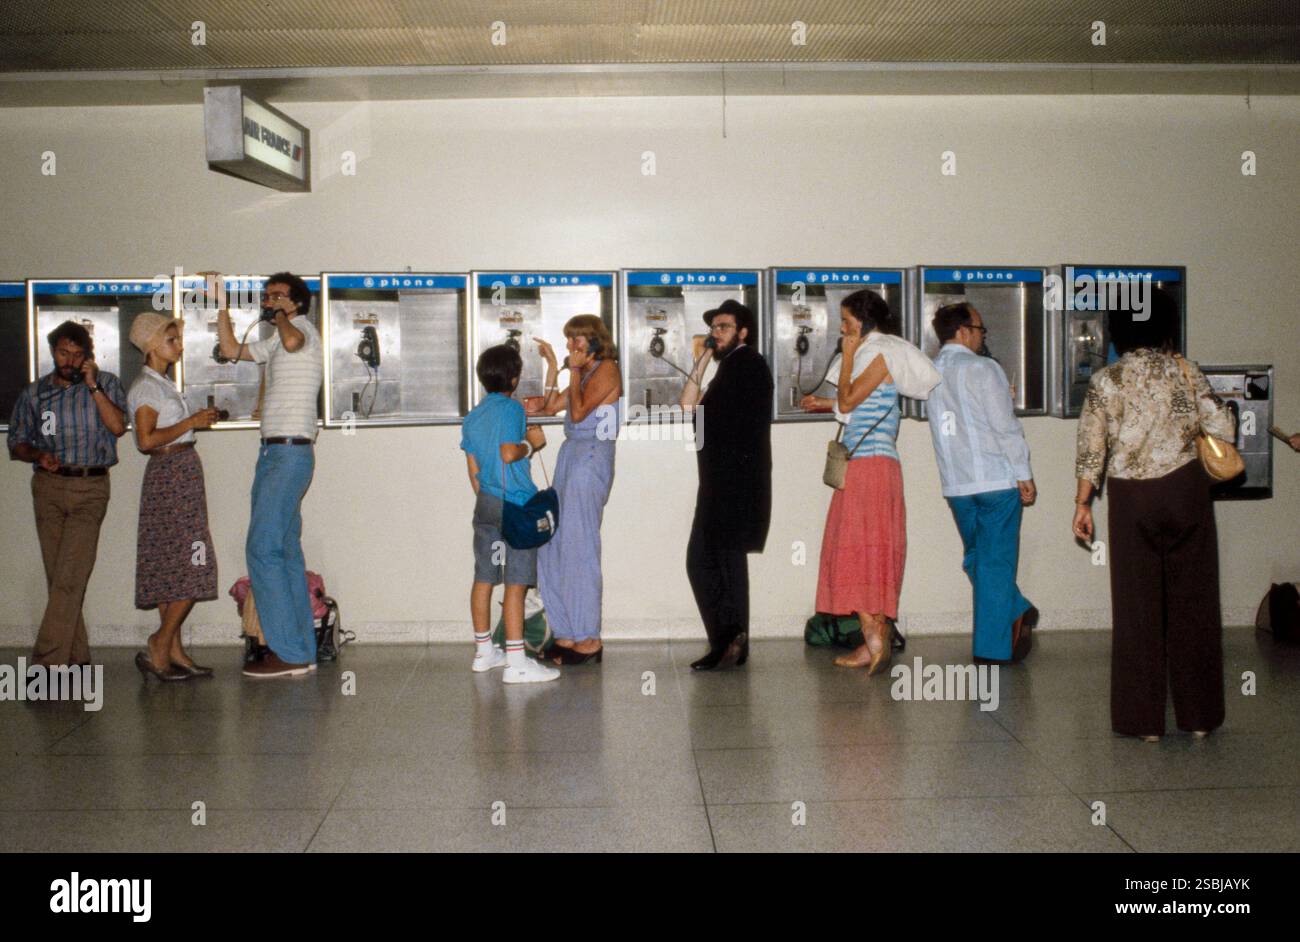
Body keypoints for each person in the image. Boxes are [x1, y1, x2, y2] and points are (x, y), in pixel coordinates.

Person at [1073, 287, 1234, 741]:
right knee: (1195, 605)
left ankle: (1143, 722)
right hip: (1186, 492)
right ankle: (1199, 717)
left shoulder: (1107, 380)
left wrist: (1082, 503)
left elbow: (1092, 448)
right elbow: (1221, 428)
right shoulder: (1187, 372)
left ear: (1117, 330)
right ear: (1165, 325)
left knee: (1137, 608)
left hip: (1132, 498)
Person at [211, 271, 323, 678]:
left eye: (278, 296)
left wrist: (281, 316)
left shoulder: (302, 331)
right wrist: (221, 303)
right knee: (285, 552)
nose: (270, 301)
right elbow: (229, 348)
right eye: (267, 296)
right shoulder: (276, 338)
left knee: (262, 549)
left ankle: (287, 651)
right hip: (274, 452)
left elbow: (293, 340)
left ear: (296, 303)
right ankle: (300, 650)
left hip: (289, 452)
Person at [800, 290, 916, 674]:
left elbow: (849, 401)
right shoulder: (875, 355)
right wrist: (824, 404)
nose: (842, 329)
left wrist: (846, 355)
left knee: (859, 549)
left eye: (847, 322)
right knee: (857, 547)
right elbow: (855, 404)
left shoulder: (879, 355)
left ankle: (875, 634)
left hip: (870, 468)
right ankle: (871, 639)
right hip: (869, 468)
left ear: (865, 323)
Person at [7, 320, 127, 667]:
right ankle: (77, 659)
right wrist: (37, 455)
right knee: (60, 578)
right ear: (52, 352)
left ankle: (45, 666)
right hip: (48, 488)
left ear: (87, 356)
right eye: (63, 353)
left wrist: (92, 386)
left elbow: (118, 427)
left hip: (90, 487)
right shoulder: (35, 393)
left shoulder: (106, 385)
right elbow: (16, 441)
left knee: (70, 576)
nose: (70, 360)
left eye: (77, 354)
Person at [926, 302, 1038, 664]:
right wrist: (1023, 472)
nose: (983, 334)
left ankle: (1017, 609)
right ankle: (992, 650)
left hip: (957, 485)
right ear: (962, 331)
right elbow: (1005, 426)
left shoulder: (928, 372)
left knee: (977, 556)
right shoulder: (984, 368)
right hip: (995, 479)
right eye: (980, 328)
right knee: (995, 563)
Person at [126, 314, 222, 681]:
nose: (178, 345)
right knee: (194, 562)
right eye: (171, 339)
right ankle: (159, 641)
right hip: (170, 476)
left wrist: (192, 423)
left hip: (179, 473)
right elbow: (146, 440)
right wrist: (190, 423)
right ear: (151, 345)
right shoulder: (146, 388)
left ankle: (172, 651)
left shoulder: (161, 383)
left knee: (172, 564)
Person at [679, 298, 773, 671]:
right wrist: (702, 357)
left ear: (743, 332)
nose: (715, 333)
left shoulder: (748, 365)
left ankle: (729, 639)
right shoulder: (729, 367)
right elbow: (688, 405)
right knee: (716, 562)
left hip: (734, 484)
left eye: (723, 327)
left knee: (711, 561)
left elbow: (708, 418)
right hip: (719, 483)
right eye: (713, 328)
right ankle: (730, 640)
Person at [462, 344, 560, 684]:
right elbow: (508, 453)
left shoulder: (473, 416)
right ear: (515, 378)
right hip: (515, 505)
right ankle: (517, 662)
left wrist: (490, 499)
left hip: (486, 503)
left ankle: (484, 653)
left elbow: (473, 469)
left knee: (484, 578)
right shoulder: (513, 410)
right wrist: (534, 443)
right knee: (516, 583)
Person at [532, 315, 621, 665]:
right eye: (568, 341)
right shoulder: (583, 372)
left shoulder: (607, 370)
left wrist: (573, 371)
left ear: (595, 342)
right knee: (552, 543)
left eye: (576, 341)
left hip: (592, 456)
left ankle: (588, 638)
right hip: (571, 455)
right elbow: (549, 407)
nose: (571, 347)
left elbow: (581, 412)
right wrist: (554, 366)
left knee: (580, 544)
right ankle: (566, 632)